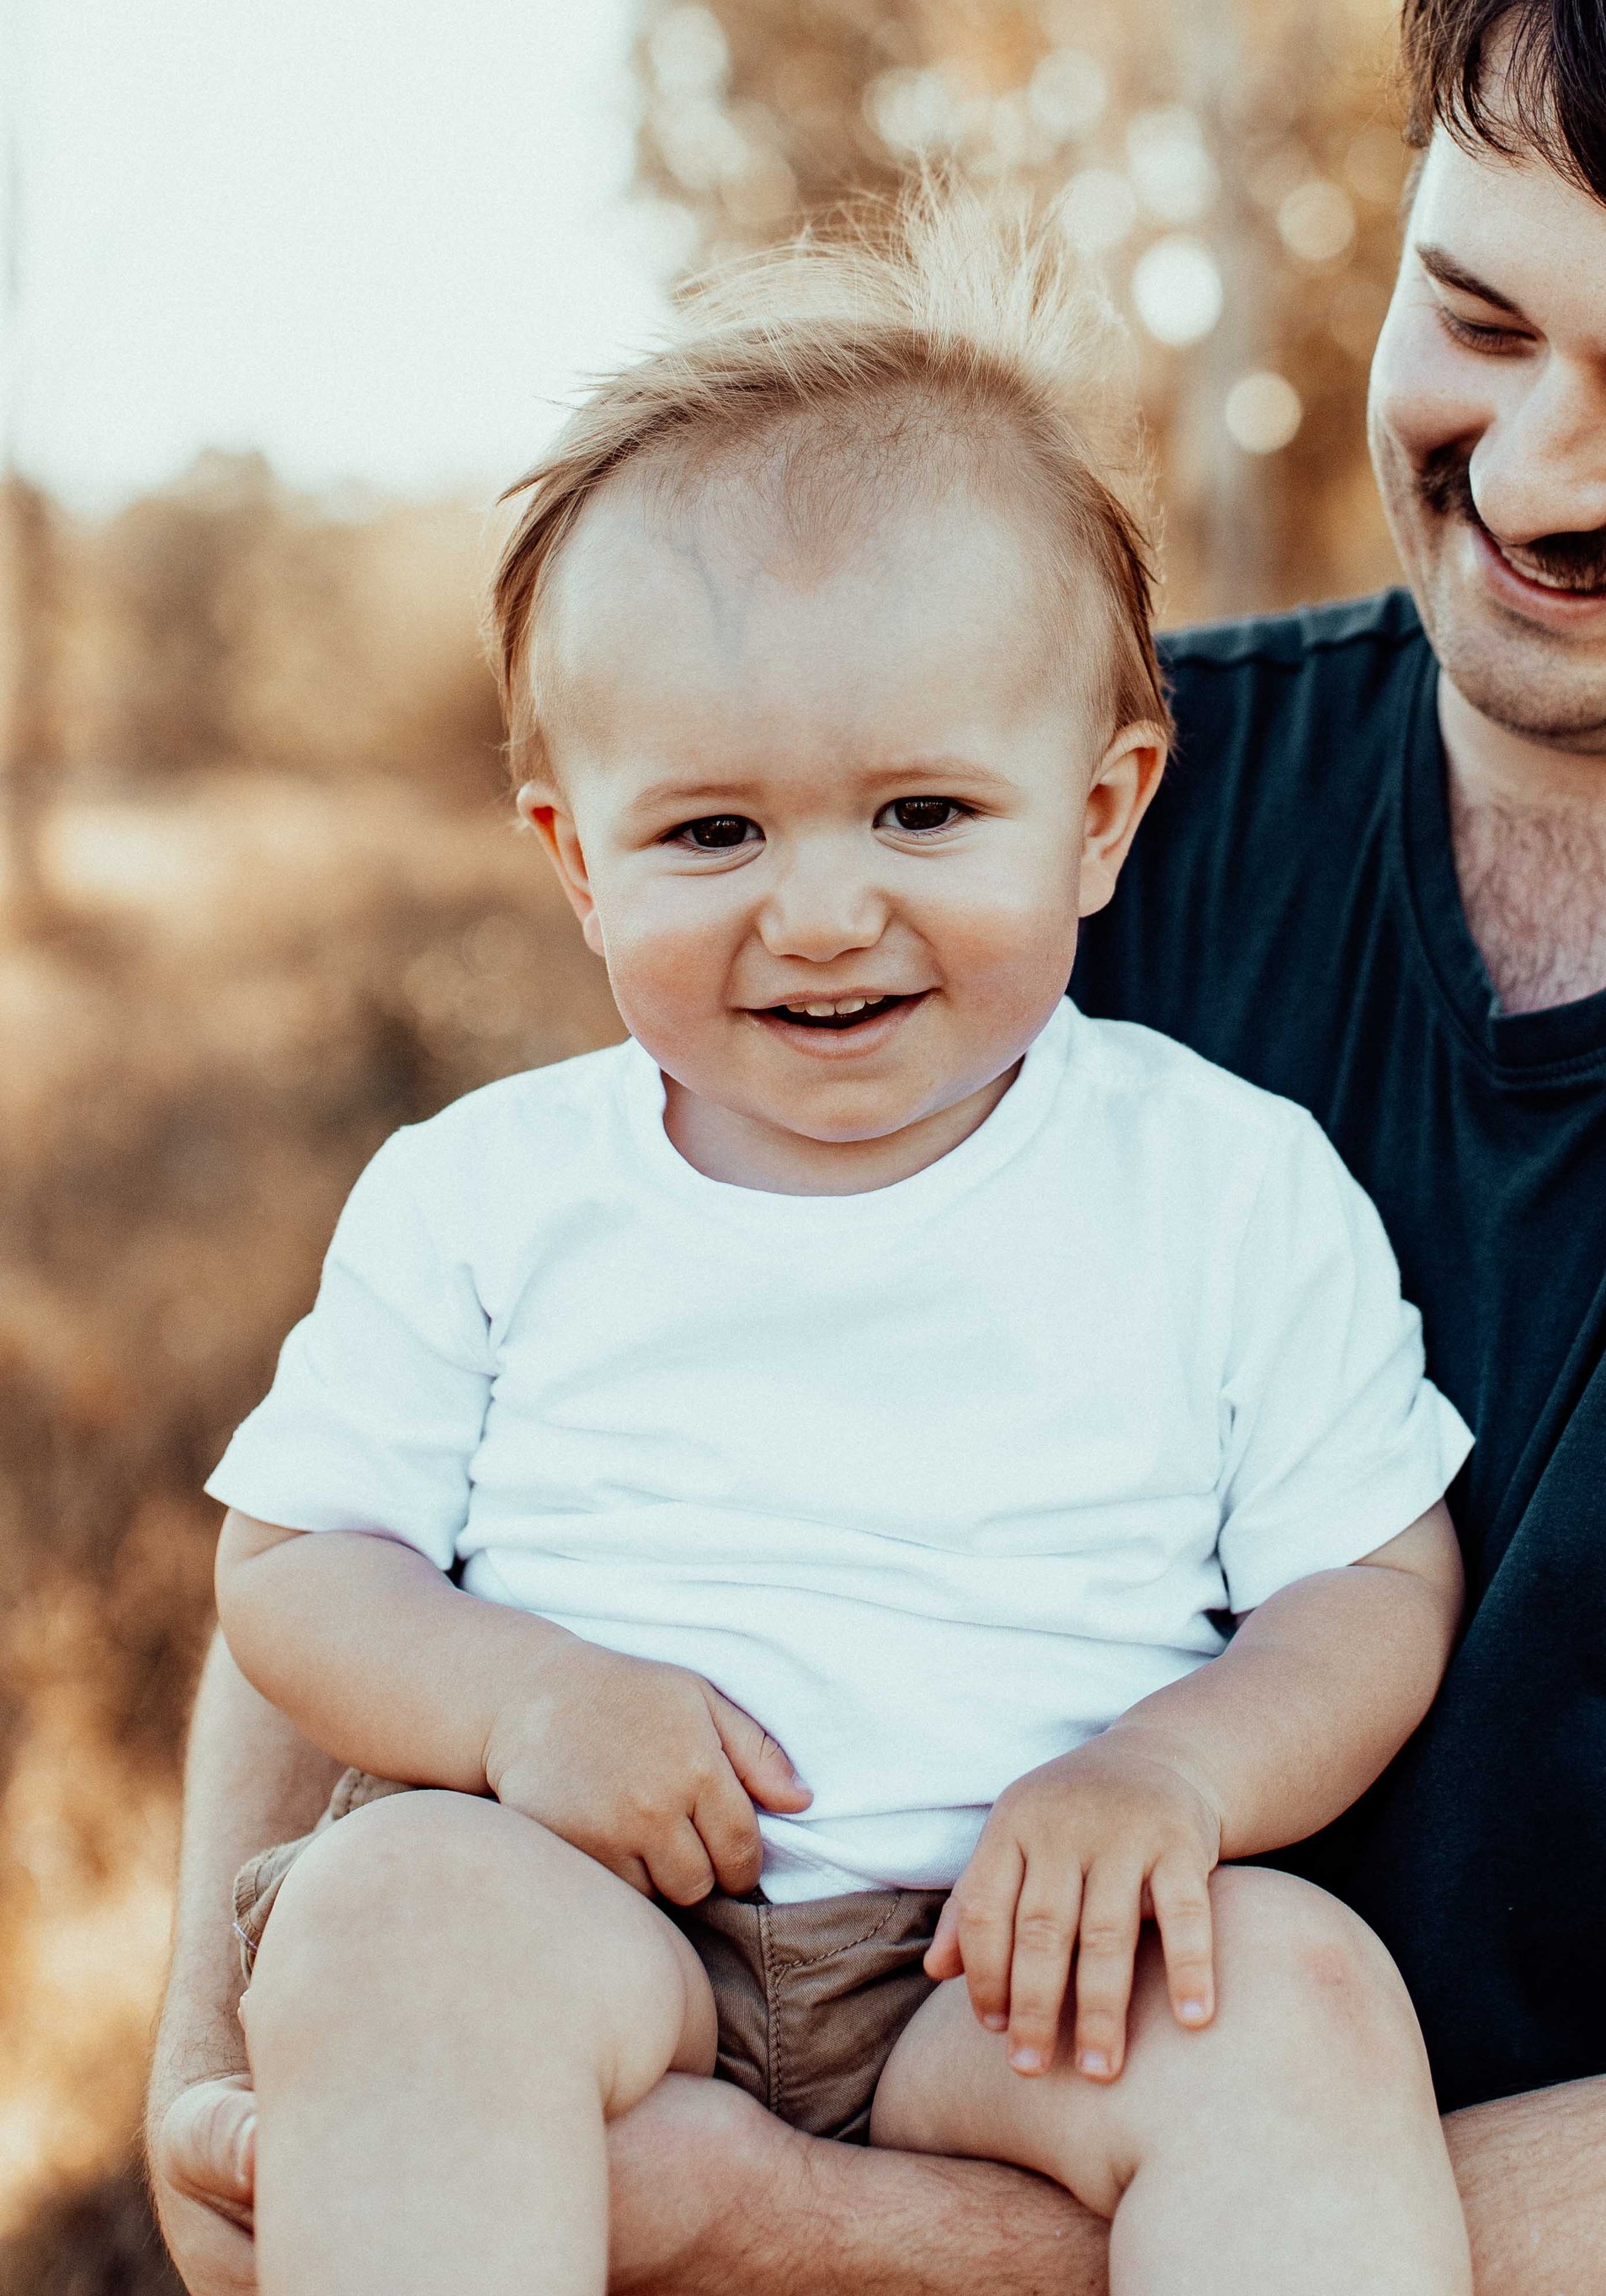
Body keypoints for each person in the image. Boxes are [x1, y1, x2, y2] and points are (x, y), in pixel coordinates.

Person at [152, 0, 1606, 2296]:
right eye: (1474, 315)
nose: (1526, 474)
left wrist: (787, 2227)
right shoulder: (996, 801)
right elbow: (407, 1457)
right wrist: (254, 2082)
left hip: (1184, 2111)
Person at [194, 207, 1477, 2296]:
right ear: (572, 860)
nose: (817, 912)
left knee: (1299, 1999)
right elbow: (293, 1563)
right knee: (383, 1923)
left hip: (1019, 1953)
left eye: (919, 817)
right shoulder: (490, 1196)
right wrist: (521, 1705)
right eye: (710, 833)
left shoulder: (1222, 1184)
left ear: (1101, 808)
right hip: (586, 1907)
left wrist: (1171, 1771)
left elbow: (1371, 1577)